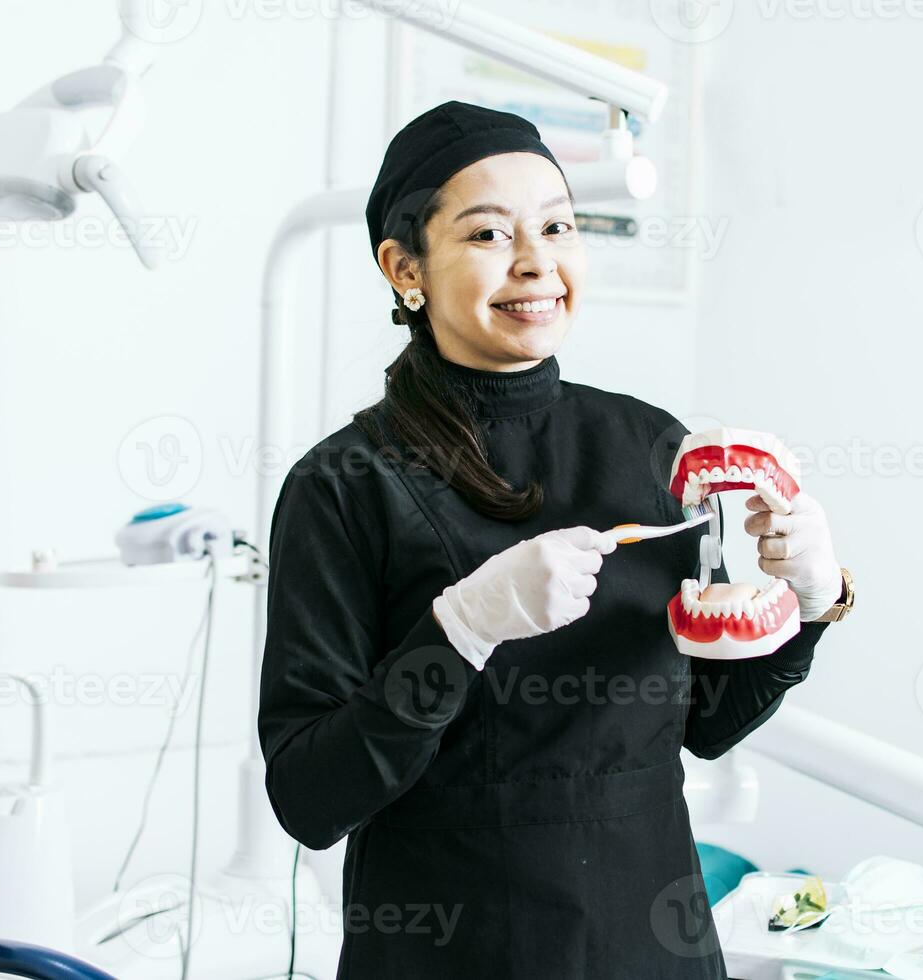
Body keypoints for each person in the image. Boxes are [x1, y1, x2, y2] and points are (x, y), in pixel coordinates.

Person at [257, 100, 853, 978]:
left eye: (558, 226)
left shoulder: (652, 446)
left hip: (650, 941)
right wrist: (459, 630)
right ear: (404, 268)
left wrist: (809, 601)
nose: (537, 262)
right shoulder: (345, 484)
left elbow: (707, 724)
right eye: (489, 234)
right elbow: (311, 797)